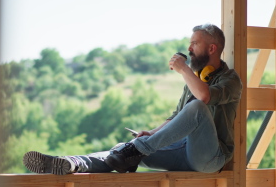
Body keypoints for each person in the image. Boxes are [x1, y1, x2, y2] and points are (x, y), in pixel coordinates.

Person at [23, 23, 242, 175]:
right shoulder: (194, 79)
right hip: (180, 153)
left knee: (196, 108)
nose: (189, 49)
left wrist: (184, 69)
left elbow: (203, 97)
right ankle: (73, 163)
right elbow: (177, 117)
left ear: (212, 48)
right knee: (122, 150)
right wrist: (151, 133)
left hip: (209, 159)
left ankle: (137, 149)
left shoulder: (230, 79)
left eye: (194, 43)